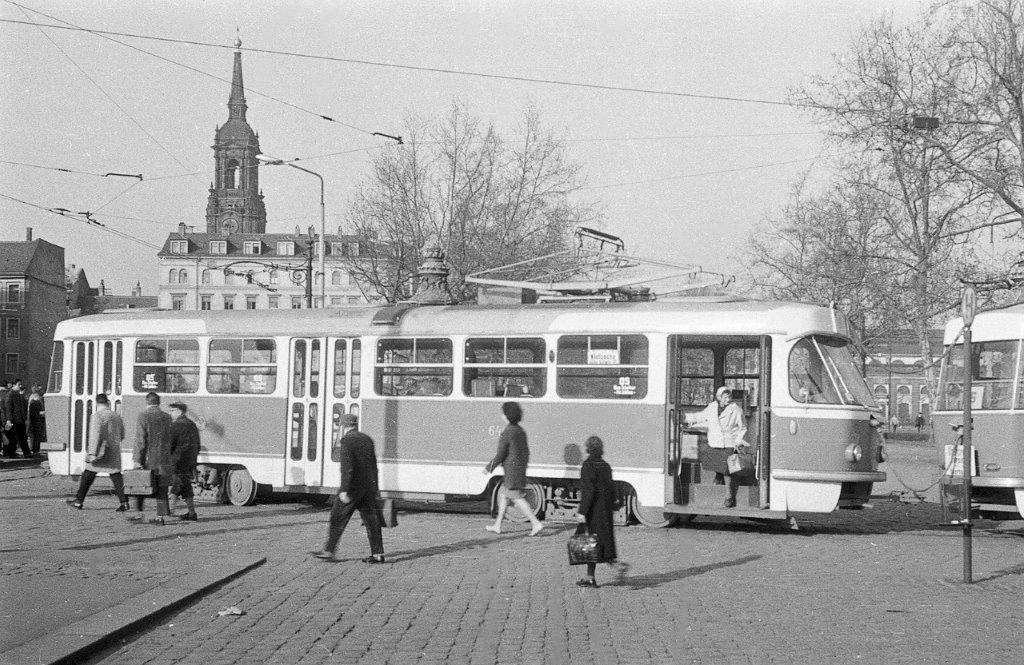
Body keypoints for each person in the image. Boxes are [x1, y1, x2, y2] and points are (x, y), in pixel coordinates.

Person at [314, 413, 386, 563]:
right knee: (372, 521)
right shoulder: (367, 439)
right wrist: (376, 489)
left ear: (343, 426)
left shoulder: (347, 441)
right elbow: (374, 467)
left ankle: (329, 551)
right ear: (356, 424)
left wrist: (345, 490)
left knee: (337, 518)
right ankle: (378, 554)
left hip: (352, 489)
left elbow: (347, 468)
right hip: (368, 488)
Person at [483, 401, 545, 536]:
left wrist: (489, 468)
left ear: (506, 416)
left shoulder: (507, 432)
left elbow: (501, 454)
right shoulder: (520, 430)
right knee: (505, 497)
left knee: (517, 498)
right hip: (518, 469)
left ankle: (536, 523)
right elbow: (526, 452)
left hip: (511, 471)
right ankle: (498, 525)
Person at [684, 386, 749, 508]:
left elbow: (743, 427)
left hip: (728, 443)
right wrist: (685, 417)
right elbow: (700, 416)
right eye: (725, 397)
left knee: (726, 469)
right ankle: (718, 481)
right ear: (719, 398)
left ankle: (729, 497)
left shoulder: (736, 410)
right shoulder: (712, 407)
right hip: (714, 442)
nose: (728, 399)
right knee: (716, 466)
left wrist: (738, 440)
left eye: (729, 397)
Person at [66, 393, 129, 511]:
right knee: (116, 476)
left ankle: (79, 501)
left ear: (97, 403)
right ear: (108, 403)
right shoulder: (116, 416)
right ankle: (124, 502)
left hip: (99, 453)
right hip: (113, 452)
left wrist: (92, 453)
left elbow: (95, 435)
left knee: (87, 475)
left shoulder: (97, 416)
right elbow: (122, 435)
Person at [573, 436, 620, 588]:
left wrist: (582, 511)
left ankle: (616, 566)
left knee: (590, 544)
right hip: (605, 511)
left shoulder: (588, 465)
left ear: (588, 449)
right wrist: (613, 505)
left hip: (593, 511)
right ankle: (590, 577)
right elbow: (611, 488)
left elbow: (588, 491)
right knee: (601, 544)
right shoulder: (606, 466)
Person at [131, 392, 173, 525]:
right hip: (164, 458)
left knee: (141, 485)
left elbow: (140, 440)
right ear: (158, 402)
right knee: (162, 488)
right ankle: (160, 518)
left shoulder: (143, 415)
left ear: (147, 402)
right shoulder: (167, 417)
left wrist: (137, 459)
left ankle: (138, 515)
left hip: (149, 459)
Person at [168, 402, 201, 522]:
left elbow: (170, 445)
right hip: (189, 461)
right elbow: (197, 445)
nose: (170, 413)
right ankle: (191, 513)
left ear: (179, 411)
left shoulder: (176, 425)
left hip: (177, 461)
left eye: (172, 411)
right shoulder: (192, 424)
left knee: (177, 484)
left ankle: (170, 510)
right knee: (185, 485)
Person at [2, 378, 31, 458]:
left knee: (22, 437)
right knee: (11, 437)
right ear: (14, 385)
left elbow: (21, 408)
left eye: (21, 384)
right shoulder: (10, 394)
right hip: (13, 420)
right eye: (19, 384)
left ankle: (26, 452)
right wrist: (8, 420)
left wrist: (24, 418)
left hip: (20, 420)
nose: (20, 386)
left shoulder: (18, 394)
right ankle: (10, 453)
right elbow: (8, 408)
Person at [26, 383, 46, 455]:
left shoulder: (35, 397)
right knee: (36, 435)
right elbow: (35, 411)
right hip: (36, 420)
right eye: (40, 389)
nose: (42, 391)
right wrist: (43, 413)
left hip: (34, 419)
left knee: (35, 435)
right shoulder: (35, 398)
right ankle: (35, 450)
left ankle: (35, 449)